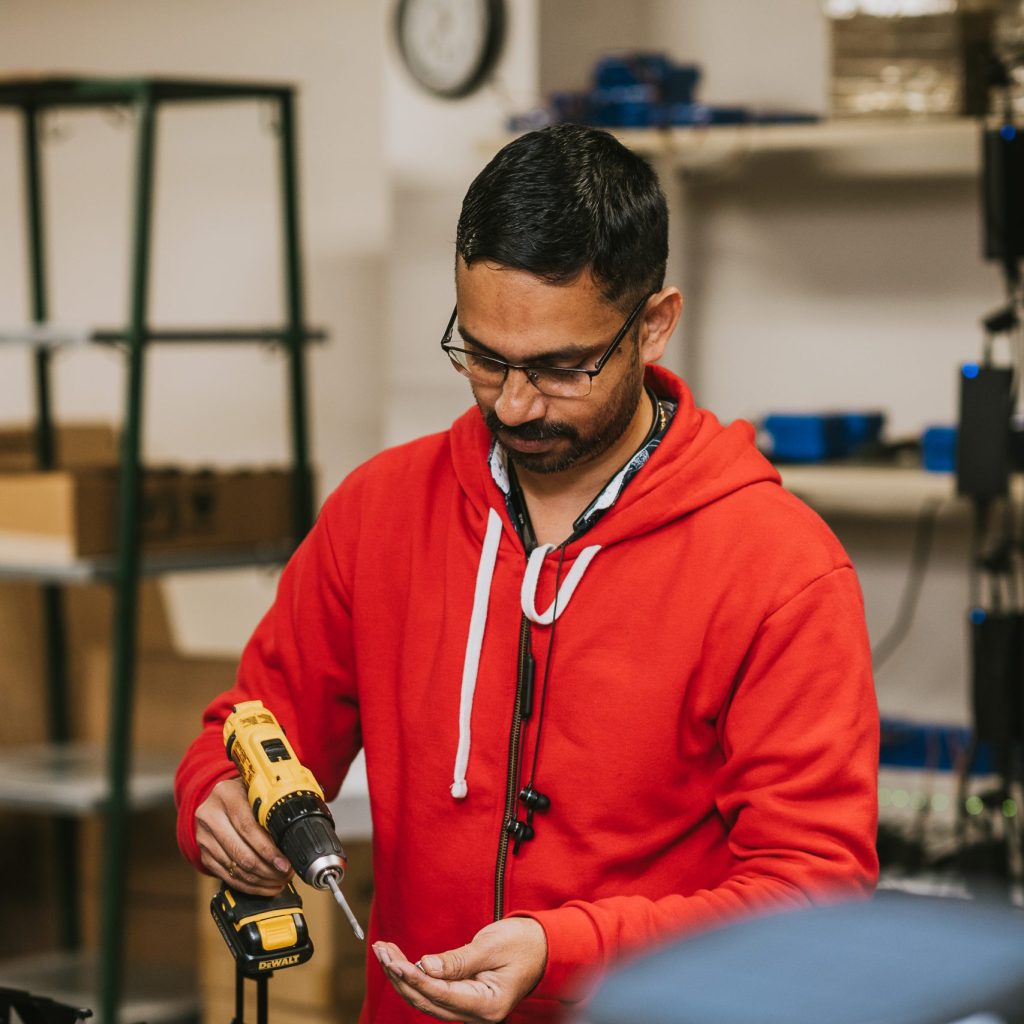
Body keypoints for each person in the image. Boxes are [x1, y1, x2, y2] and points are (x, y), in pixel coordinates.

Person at [175, 123, 879, 1024]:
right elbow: (253, 724)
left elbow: (814, 896)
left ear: (653, 325)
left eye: (559, 367)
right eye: (482, 355)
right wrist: (215, 796)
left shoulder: (780, 569)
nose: (513, 402)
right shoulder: (378, 512)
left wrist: (563, 950)